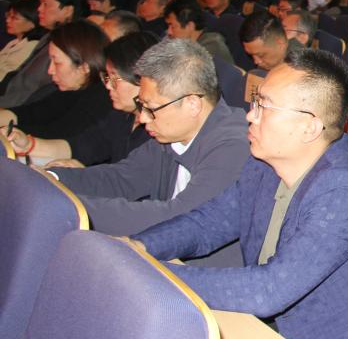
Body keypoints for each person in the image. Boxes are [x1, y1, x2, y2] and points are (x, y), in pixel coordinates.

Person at [128, 49, 348, 339]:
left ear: (309, 127)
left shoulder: (343, 191)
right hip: (286, 336)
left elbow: (269, 290)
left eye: (264, 106)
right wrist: (139, 247)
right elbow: (209, 222)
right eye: (255, 102)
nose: (250, 115)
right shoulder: (266, 163)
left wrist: (155, 275)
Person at [44, 38, 250, 236]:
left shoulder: (234, 147)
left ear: (192, 104)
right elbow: (121, 179)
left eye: (150, 108)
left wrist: (66, 206)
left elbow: (179, 219)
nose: (142, 118)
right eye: (141, 106)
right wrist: (53, 179)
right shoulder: (172, 135)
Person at [7, 32, 157, 167]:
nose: (108, 86)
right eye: (107, 77)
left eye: (114, 79)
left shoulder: (157, 131)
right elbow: (79, 147)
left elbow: (127, 181)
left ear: (142, 80)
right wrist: (28, 144)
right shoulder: (121, 116)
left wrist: (85, 176)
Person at [0, 20, 113, 153]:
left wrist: (13, 133)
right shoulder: (73, 88)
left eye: (57, 62)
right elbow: (32, 112)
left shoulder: (102, 100)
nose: (50, 70)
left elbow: (56, 135)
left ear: (84, 67)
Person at [0, 0, 87, 108]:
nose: (39, 9)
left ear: (68, 10)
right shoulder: (48, 36)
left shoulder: (72, 46)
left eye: (45, 4)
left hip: (20, 108)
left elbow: (40, 92)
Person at [165, 0, 233, 64]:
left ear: (189, 26)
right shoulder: (187, 45)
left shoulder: (211, 47)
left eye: (172, 26)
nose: (169, 32)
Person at [0, 0, 43, 84]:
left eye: (14, 18)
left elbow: (6, 76)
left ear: (32, 23)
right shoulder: (15, 41)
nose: (7, 20)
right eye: (8, 15)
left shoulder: (31, 46)